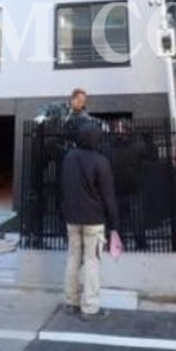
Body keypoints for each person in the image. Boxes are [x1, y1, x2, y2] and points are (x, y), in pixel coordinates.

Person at [60, 123, 119, 320]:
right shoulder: (100, 161)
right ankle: (90, 307)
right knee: (92, 261)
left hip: (72, 217)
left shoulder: (68, 158)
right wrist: (114, 225)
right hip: (94, 219)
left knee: (73, 258)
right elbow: (108, 196)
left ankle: (71, 301)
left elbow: (63, 188)